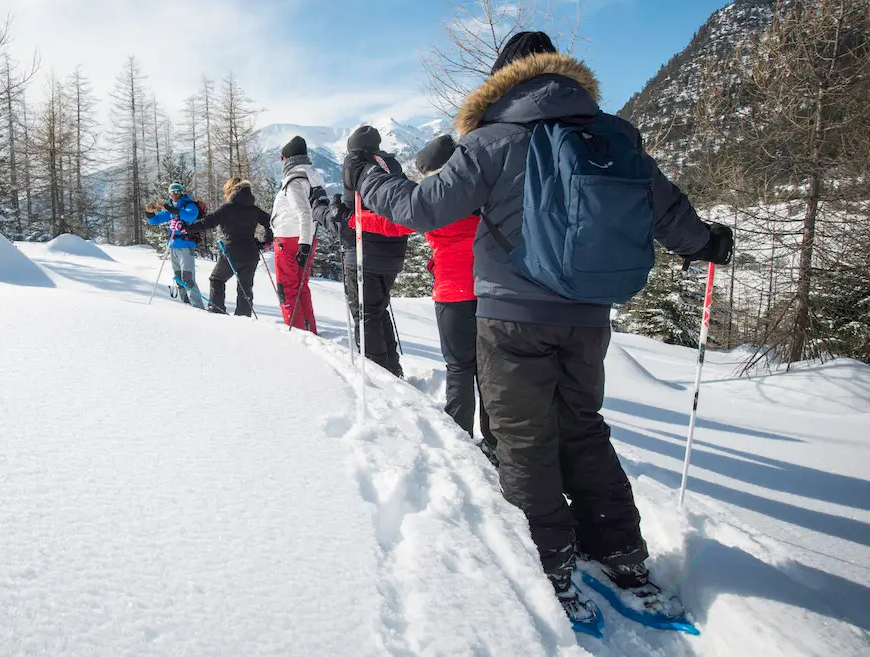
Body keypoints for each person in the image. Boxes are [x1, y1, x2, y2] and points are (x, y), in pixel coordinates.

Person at [342, 31, 734, 625]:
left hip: (512, 317)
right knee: (582, 427)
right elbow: (672, 213)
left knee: (524, 439)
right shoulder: (615, 135)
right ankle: (623, 554)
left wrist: (366, 180)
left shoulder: (494, 139)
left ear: (503, 81)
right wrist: (708, 244)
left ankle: (550, 562)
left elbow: (423, 207)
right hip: (588, 318)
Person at [414, 134, 496, 465]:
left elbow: (395, 220)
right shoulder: (484, 187)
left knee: (460, 367)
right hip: (491, 288)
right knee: (490, 370)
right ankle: (495, 443)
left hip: (452, 291)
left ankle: (460, 436)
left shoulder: (435, 201)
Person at [311, 126, 411, 376]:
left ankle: (379, 374)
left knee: (365, 315)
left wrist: (320, 209)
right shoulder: (393, 167)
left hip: (363, 256)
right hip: (393, 255)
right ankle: (392, 367)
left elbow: (344, 223)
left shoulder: (356, 168)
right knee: (377, 310)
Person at [185, 178, 273, 317]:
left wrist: (188, 228)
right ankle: (244, 317)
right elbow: (270, 222)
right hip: (251, 255)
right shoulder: (253, 209)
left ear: (231, 191)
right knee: (245, 288)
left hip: (232, 253)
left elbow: (209, 222)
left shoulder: (228, 208)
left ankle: (217, 312)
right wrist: (265, 243)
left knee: (217, 279)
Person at [270, 136, 323, 333]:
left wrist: (303, 243)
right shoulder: (310, 177)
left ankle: (297, 335)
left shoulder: (293, 181)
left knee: (287, 289)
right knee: (302, 287)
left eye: (282, 158)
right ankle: (309, 330)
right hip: (306, 238)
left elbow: (303, 212)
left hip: (290, 239)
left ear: (287, 159)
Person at [145, 182, 206, 310]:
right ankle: (186, 304)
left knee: (188, 277)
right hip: (173, 246)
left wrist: (169, 207)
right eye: (172, 193)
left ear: (182, 192)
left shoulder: (189, 205)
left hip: (186, 244)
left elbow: (189, 216)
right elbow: (155, 220)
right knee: (178, 277)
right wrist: (149, 212)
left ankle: (197, 306)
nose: (174, 195)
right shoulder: (171, 209)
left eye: (177, 192)